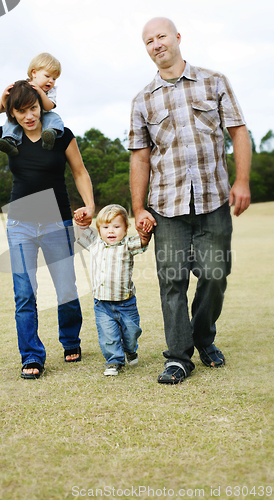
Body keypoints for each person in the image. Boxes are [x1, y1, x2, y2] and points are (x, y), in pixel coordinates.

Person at [129, 17, 251, 384]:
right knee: (172, 283)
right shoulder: (142, 100)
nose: (156, 44)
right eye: (149, 41)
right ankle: (178, 358)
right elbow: (139, 156)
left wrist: (242, 180)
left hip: (213, 200)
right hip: (167, 208)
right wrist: (138, 208)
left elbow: (239, 132)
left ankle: (201, 336)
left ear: (177, 38)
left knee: (215, 276)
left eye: (161, 36)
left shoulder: (214, 82)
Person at [0, 80, 95, 379]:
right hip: (20, 223)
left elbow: (79, 171)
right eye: (20, 111)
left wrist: (90, 205)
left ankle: (70, 340)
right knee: (24, 293)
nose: (28, 116)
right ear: (13, 113)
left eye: (33, 108)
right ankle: (32, 356)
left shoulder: (61, 135)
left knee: (66, 289)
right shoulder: (8, 136)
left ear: (41, 105)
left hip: (57, 220)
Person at [75, 204, 152, 376]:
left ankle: (130, 349)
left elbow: (144, 240)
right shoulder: (95, 244)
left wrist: (146, 230)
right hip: (102, 304)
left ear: (125, 229)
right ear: (99, 229)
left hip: (126, 302)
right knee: (108, 335)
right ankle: (114, 361)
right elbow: (81, 232)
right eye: (106, 227)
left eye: (116, 227)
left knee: (132, 332)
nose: (111, 231)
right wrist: (80, 220)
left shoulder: (127, 244)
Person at [0, 53, 64, 157]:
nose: (51, 81)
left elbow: (48, 107)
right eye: (47, 76)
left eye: (54, 79)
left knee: (54, 118)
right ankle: (10, 141)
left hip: (44, 115)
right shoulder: (24, 87)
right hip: (26, 120)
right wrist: (4, 97)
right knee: (10, 123)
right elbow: (12, 107)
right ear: (34, 73)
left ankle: (50, 135)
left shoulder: (51, 91)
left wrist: (41, 93)